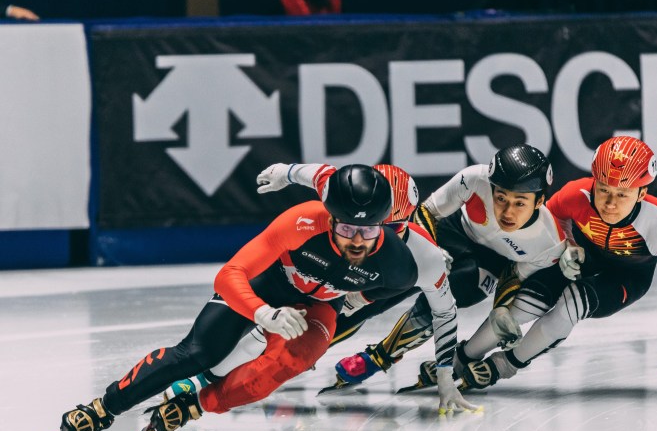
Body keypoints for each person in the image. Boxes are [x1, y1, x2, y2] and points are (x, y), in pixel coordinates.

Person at [47, 164, 420, 431]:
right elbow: (231, 274)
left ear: (388, 225)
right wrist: (263, 313)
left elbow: (396, 290)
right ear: (331, 217)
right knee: (197, 353)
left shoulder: (400, 266)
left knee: (290, 362)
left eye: (370, 231)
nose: (357, 241)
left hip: (318, 306)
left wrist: (355, 300)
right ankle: (106, 406)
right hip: (271, 284)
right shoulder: (302, 221)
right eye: (346, 230)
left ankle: (197, 403)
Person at [165, 162, 478, 413]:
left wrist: (445, 377)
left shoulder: (421, 254)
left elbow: (444, 312)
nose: (366, 235)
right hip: (326, 275)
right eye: (363, 223)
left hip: (363, 289)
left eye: (385, 227)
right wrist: (284, 172)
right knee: (278, 321)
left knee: (313, 337)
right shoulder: (344, 200)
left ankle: (210, 382)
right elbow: (317, 174)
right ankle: (204, 378)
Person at [458, 135, 657, 398]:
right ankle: (463, 356)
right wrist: (566, 245)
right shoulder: (575, 194)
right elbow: (549, 225)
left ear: (642, 193)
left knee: (571, 305)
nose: (610, 204)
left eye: (622, 194)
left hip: (625, 278)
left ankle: (503, 366)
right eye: (603, 190)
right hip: (580, 258)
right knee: (526, 303)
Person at [333, 144, 567, 391]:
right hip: (452, 232)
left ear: (540, 200)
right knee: (390, 285)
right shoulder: (475, 179)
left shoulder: (550, 243)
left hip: (489, 264)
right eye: (500, 198)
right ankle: (322, 333)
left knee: (446, 299)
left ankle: (379, 357)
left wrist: (501, 307)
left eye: (520, 203)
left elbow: (514, 275)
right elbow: (427, 211)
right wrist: (429, 249)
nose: (507, 212)